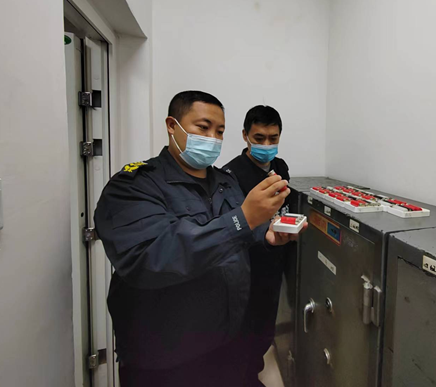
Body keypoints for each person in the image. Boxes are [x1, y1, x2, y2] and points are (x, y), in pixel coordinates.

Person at [94, 91, 305, 387]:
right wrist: (243, 218)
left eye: (219, 131)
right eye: (203, 128)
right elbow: (150, 257)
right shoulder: (134, 186)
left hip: (228, 343)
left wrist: (267, 236)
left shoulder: (224, 182)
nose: (213, 139)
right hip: (165, 357)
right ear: (172, 125)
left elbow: (242, 236)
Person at [223, 105, 291, 387]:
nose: (267, 145)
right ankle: (243, 378)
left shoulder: (280, 167)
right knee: (242, 332)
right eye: (259, 138)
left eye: (273, 138)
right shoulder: (231, 174)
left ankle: (253, 373)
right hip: (246, 266)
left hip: (273, 262)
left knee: (264, 329)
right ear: (245, 136)